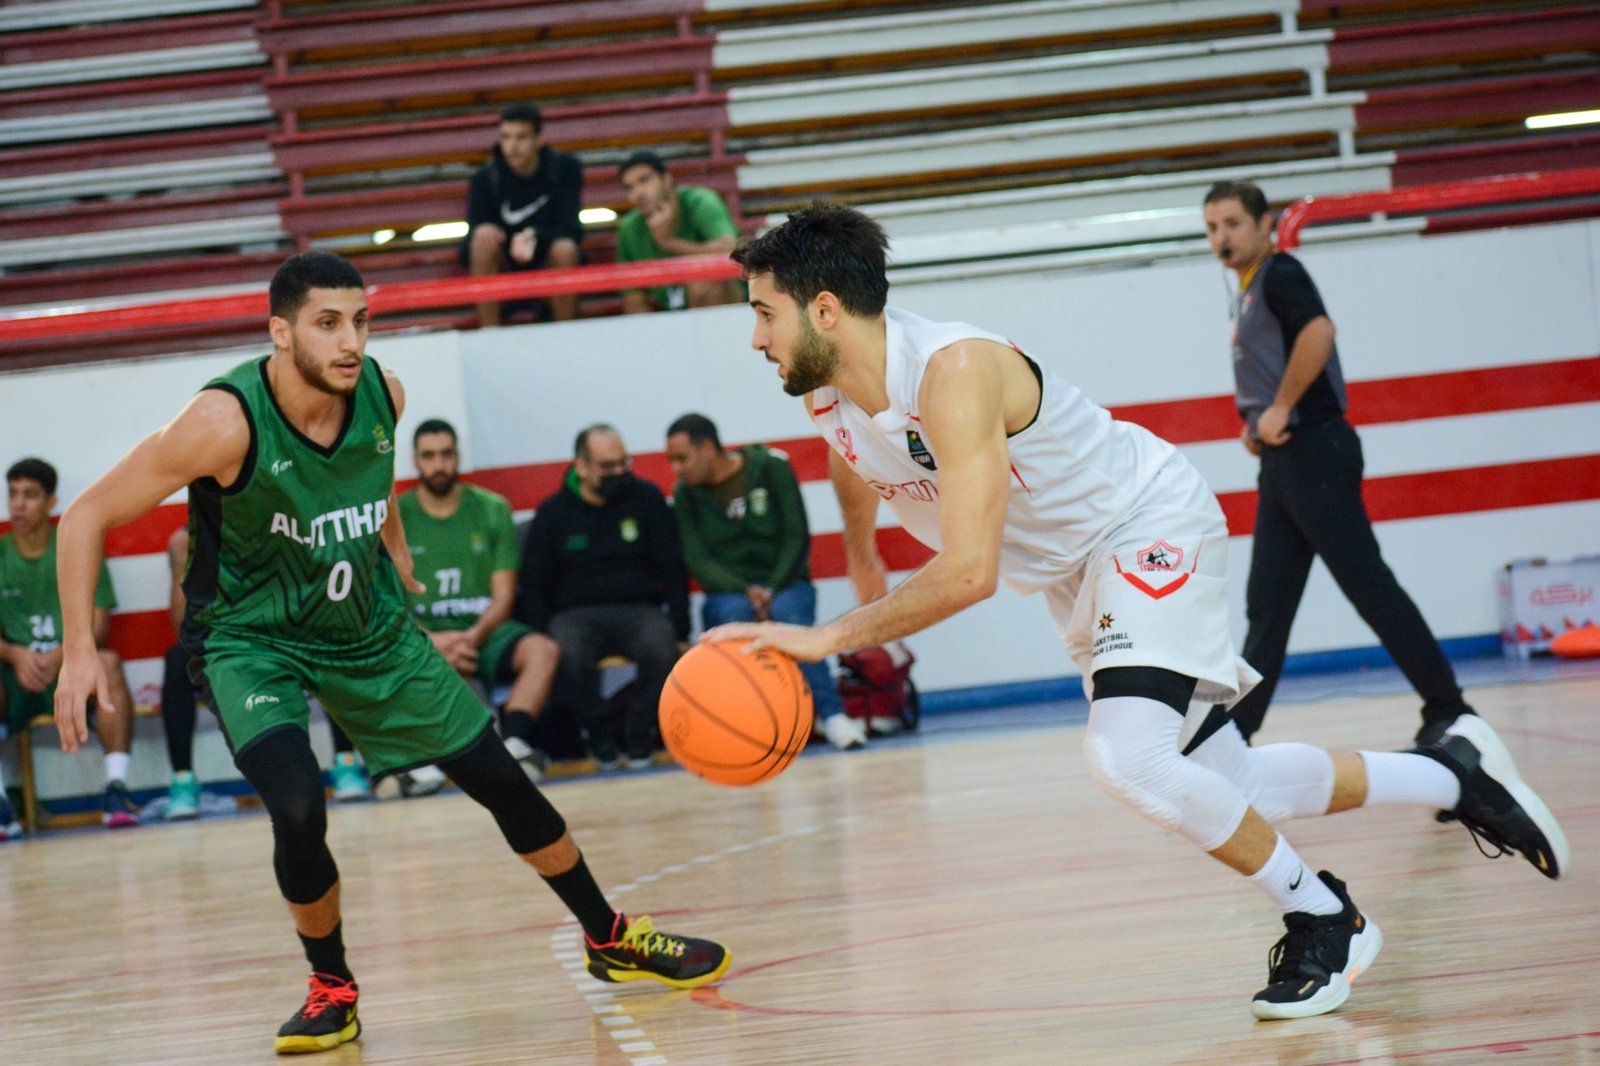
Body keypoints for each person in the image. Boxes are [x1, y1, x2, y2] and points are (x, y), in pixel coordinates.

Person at [706, 203, 1569, 1020]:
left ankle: (1324, 918)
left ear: (825, 310)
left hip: (1143, 526)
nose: (755, 338)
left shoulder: (953, 373)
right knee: (1234, 783)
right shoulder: (826, 390)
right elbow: (858, 454)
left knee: (1128, 759)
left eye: (764, 313)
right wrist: (861, 551)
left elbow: (968, 573)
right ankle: (1454, 772)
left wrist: (827, 636)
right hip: (1073, 573)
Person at [51, 251, 727, 1054]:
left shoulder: (384, 393)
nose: (350, 342)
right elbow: (84, 516)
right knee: (298, 806)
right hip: (251, 639)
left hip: (366, 629)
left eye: (360, 321)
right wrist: (79, 650)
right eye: (327, 323)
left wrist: (392, 536)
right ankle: (331, 988)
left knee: (504, 782)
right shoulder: (222, 422)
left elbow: (371, 473)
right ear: (280, 333)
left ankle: (608, 937)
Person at [1201, 180, 1477, 748]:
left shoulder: (1281, 274)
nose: (1221, 237)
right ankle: (1236, 731)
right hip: (1286, 460)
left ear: (1264, 224)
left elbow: (1319, 331)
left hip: (1314, 453)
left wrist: (1281, 407)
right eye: (1211, 228)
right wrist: (1259, 425)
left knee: (1367, 585)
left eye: (1232, 224)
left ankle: (1449, 707)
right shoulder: (1249, 290)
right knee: (1267, 602)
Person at [665, 412, 867, 750]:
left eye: (681, 458)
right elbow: (697, 558)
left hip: (785, 582)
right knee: (728, 620)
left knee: (791, 619)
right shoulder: (684, 494)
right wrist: (746, 590)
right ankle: (742, 728)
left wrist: (770, 587)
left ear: (708, 448)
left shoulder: (771, 466)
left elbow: (796, 535)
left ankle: (832, 716)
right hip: (731, 591)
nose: (676, 468)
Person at [162, 526, 378, 814]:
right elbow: (183, 628)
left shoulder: (281, 521)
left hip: (283, 634)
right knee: (178, 658)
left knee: (330, 640)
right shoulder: (189, 540)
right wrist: (184, 566)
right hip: (230, 648)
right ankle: (183, 780)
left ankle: (346, 762)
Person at [515, 425, 688, 770]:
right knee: (566, 652)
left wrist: (680, 627)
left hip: (639, 609)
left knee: (662, 646)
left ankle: (638, 729)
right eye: (608, 466)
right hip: (575, 614)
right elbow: (534, 582)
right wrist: (540, 632)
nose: (619, 472)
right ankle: (600, 732)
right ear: (581, 466)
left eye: (624, 462)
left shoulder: (647, 499)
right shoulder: (553, 513)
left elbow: (673, 567)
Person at [399, 418, 560, 781]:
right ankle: (420, 762)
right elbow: (390, 600)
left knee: (542, 651)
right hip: (424, 635)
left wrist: (470, 638)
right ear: (415, 460)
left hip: (485, 632)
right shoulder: (396, 515)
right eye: (429, 456)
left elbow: (504, 596)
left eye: (446, 454)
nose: (439, 465)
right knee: (388, 659)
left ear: (458, 456)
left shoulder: (492, 507)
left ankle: (515, 743)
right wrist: (432, 640)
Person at [0, 457, 139, 831]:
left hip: (70, 667)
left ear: (51, 501)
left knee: (108, 664)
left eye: (30, 495)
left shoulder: (78, 546)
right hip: (17, 675)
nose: (18, 504)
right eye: (13, 494)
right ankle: (1, 804)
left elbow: (99, 624)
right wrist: (15, 654)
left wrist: (63, 654)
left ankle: (116, 789)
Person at [463, 103, 584, 327]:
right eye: (506, 137)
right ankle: (489, 334)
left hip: (547, 268)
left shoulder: (565, 169)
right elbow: (466, 249)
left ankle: (566, 333)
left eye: (521, 137)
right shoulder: (484, 178)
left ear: (539, 139)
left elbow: (572, 230)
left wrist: (533, 237)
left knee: (565, 249)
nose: (512, 146)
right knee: (482, 240)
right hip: (504, 274)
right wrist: (492, 234)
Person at [616, 150, 742, 314]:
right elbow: (634, 300)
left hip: (734, 309)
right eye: (629, 188)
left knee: (703, 278)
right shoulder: (629, 229)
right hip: (673, 320)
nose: (637, 193)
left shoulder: (700, 202)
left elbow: (731, 250)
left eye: (644, 180)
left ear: (667, 179)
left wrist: (669, 243)